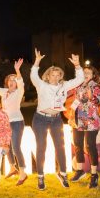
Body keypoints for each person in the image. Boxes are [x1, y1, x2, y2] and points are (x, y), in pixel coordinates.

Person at [30, 48, 84, 190]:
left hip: (56, 120)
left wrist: (77, 65)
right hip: (40, 119)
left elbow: (80, 79)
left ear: (60, 76)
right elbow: (33, 76)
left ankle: (63, 174)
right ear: (47, 76)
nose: (55, 77)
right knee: (41, 147)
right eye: (52, 75)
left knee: (60, 146)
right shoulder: (41, 85)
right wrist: (37, 61)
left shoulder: (64, 86)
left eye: (57, 75)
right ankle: (40, 177)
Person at [0, 58, 27, 185]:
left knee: (16, 147)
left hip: (16, 122)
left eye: (14, 81)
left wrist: (17, 70)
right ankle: (12, 168)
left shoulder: (19, 92)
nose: (12, 82)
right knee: (7, 146)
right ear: (7, 82)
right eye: (10, 80)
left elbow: (21, 82)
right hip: (5, 123)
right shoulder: (4, 92)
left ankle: (23, 172)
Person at [68, 66, 100, 188]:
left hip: (90, 120)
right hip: (77, 120)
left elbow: (98, 101)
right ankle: (80, 170)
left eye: (88, 72)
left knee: (90, 145)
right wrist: (71, 114)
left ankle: (94, 174)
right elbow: (75, 101)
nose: (86, 74)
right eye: (84, 72)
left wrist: (91, 95)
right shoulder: (78, 86)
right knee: (77, 144)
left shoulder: (95, 86)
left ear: (93, 75)